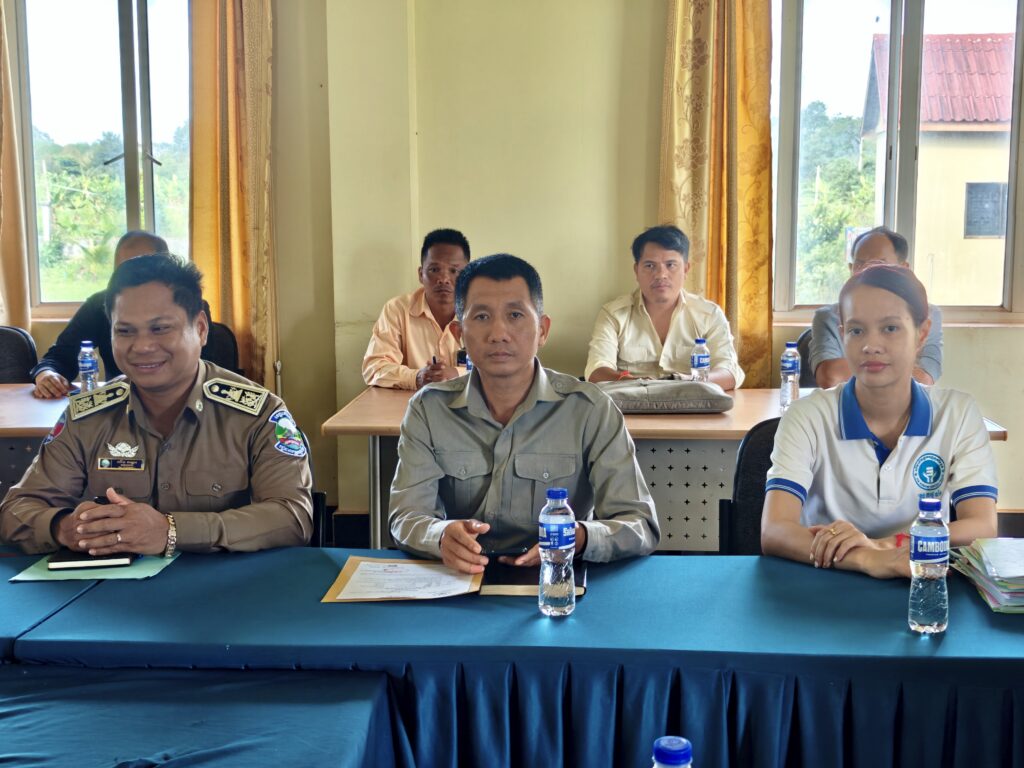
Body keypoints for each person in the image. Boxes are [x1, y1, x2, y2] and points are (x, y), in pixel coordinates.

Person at [1, 253, 313, 555]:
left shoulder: (259, 413)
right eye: (125, 331)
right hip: (113, 586)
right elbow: (16, 510)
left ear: (200, 329)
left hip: (227, 584)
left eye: (160, 328)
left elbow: (293, 518)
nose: (142, 346)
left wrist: (170, 531)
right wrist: (63, 527)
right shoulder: (87, 416)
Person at [389, 253, 660, 574]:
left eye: (515, 315)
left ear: (542, 330)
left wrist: (580, 538)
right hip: (460, 577)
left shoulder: (590, 410)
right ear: (460, 334)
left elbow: (639, 524)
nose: (498, 333)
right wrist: (440, 536)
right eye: (481, 317)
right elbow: (406, 516)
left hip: (556, 577)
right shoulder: (428, 409)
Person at [761, 264, 997, 579]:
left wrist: (886, 545)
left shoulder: (958, 413)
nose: (871, 345)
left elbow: (982, 525)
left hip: (919, 581)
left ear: (922, 333)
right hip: (825, 580)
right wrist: (867, 559)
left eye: (890, 328)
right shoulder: (806, 416)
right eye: (856, 331)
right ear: (842, 335)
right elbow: (775, 530)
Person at [584, 225, 744, 389]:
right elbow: (596, 371)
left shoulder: (709, 314)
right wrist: (640, 383)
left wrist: (686, 381)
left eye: (671, 265)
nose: (661, 275)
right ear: (636, 270)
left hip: (692, 400)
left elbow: (729, 372)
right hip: (631, 400)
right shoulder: (614, 314)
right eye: (650, 266)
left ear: (686, 269)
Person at [32, 231, 169, 398]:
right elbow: (61, 356)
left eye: (160, 328)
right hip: (119, 402)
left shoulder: (184, 304)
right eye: (124, 271)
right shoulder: (100, 305)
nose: (142, 347)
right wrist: (47, 375)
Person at [811, 226, 943, 388]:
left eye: (879, 264)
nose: (867, 272)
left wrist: (859, 367)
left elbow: (923, 380)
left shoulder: (927, 314)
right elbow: (830, 377)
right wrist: (897, 366)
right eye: (860, 265)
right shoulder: (828, 317)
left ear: (903, 268)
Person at [362, 228, 471, 390]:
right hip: (412, 403)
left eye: (454, 271)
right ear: (421, 274)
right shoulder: (397, 310)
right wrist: (417, 377)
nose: (443, 279)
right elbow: (374, 367)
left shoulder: (481, 312)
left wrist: (457, 373)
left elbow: (499, 368)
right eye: (434, 270)